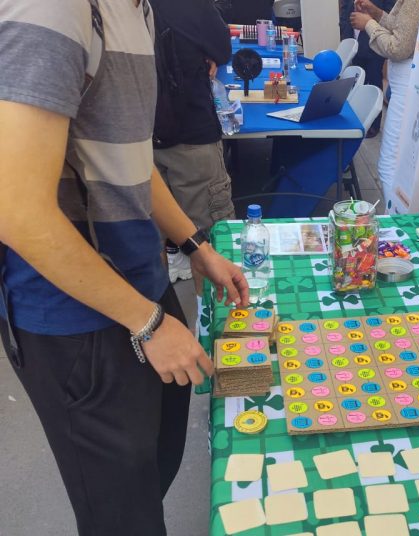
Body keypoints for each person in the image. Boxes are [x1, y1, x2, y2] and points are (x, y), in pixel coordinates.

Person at [0, 2, 249, 535]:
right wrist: (148, 323)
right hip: (72, 318)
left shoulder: (137, 9)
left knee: (155, 462)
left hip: (137, 282)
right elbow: (15, 210)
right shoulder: (55, 9)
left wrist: (196, 244)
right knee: (121, 515)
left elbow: (129, 156)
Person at [149, 0, 236, 288]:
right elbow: (222, 49)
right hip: (191, 135)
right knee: (210, 242)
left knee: (149, 242)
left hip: (137, 138)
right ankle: (214, 313)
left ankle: (159, 310)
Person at [350, 0, 419, 209]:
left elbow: (398, 47)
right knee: (404, 166)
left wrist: (368, 24)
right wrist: (377, 14)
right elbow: (403, 28)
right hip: (411, 84)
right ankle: (408, 219)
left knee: (390, 165)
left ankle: (398, 224)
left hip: (408, 86)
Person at [341, 0, 395, 138]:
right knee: (357, 81)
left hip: (375, 41)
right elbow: (345, 7)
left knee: (373, 80)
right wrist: (344, 31)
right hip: (353, 37)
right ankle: (357, 117)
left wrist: (370, 22)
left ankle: (374, 123)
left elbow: (390, 13)